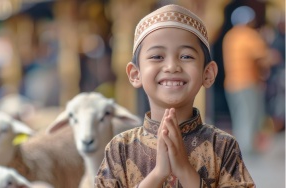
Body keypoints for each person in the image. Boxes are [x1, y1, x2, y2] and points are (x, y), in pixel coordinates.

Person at [94, 4, 254, 188]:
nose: (171, 66)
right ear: (135, 74)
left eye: (186, 56)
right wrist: (158, 174)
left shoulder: (223, 146)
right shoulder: (120, 148)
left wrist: (185, 171)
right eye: (157, 57)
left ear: (208, 73)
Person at [222, 6, 272, 155]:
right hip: (247, 82)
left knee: (239, 116)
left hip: (231, 83)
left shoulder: (229, 36)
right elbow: (263, 57)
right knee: (249, 116)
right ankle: (247, 150)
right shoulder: (249, 35)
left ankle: (241, 147)